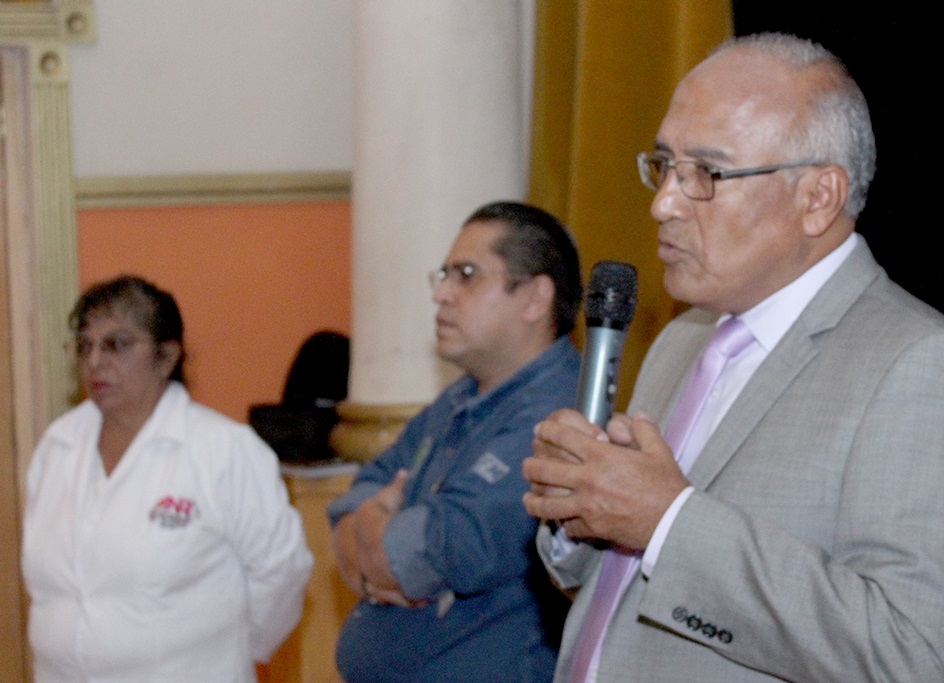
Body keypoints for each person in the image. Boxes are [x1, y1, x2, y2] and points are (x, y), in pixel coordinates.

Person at [522, 32, 944, 682]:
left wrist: (667, 520)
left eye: (706, 174)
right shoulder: (682, 338)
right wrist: (580, 508)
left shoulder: (914, 360)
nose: (663, 203)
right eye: (665, 165)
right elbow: (624, 586)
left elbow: (908, 649)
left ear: (818, 197)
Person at [327, 201, 583, 682]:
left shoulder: (559, 414)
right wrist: (366, 533)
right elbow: (352, 499)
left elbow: (440, 549)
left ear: (534, 298)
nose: (441, 294)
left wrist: (373, 528)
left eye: (466, 275)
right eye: (443, 275)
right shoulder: (459, 399)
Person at [21, 275, 314, 682]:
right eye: (85, 346)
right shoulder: (57, 446)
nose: (95, 361)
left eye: (116, 344)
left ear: (167, 356)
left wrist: (231, 651)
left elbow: (282, 571)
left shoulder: (222, 450)